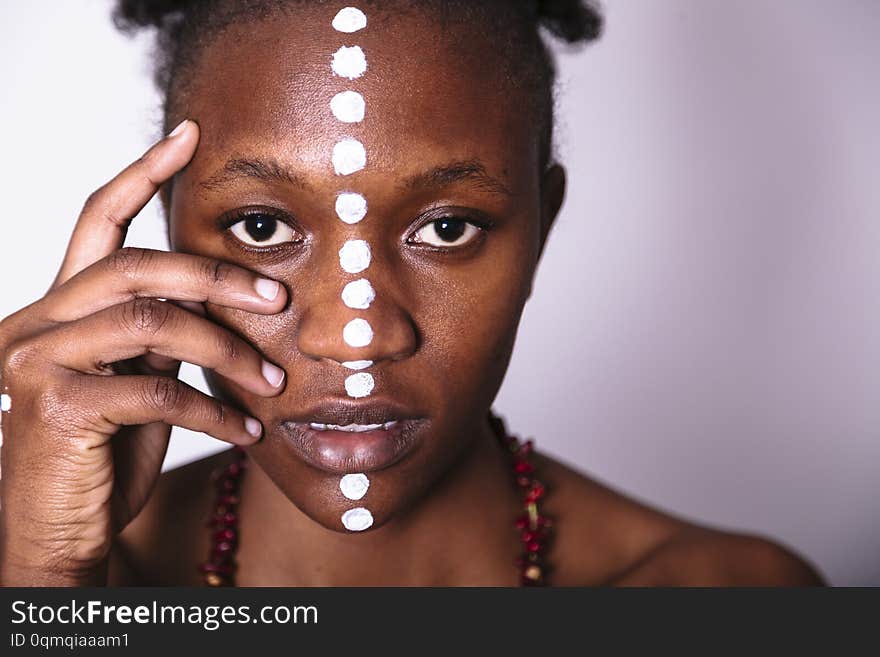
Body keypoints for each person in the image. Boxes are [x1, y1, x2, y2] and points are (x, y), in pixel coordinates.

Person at [0, 0, 823, 586]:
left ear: (542, 229)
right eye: (259, 227)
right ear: (166, 234)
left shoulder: (730, 593)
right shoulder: (64, 578)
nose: (354, 337)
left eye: (447, 228)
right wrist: (43, 577)